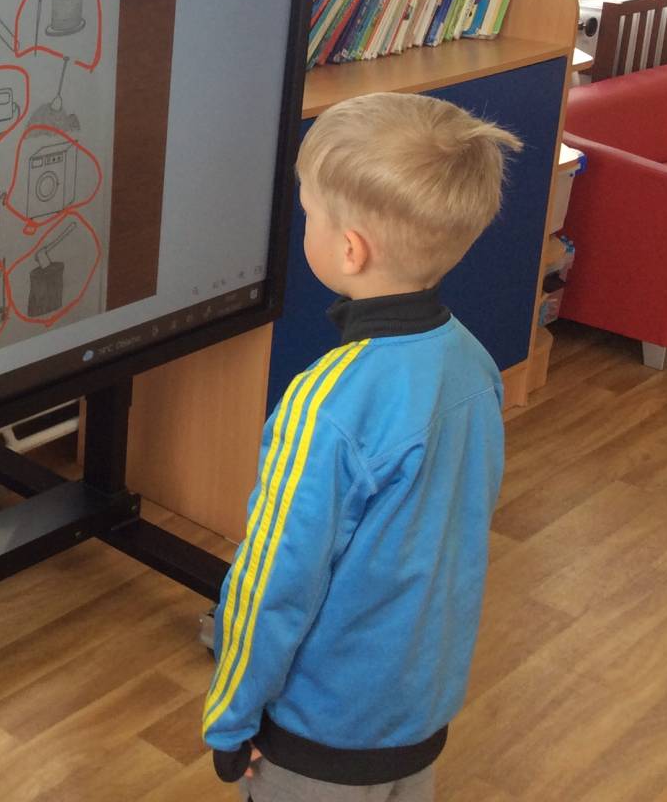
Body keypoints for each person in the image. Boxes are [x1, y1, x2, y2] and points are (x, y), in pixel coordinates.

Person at [203, 92, 523, 801]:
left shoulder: (325, 404)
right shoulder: (473, 364)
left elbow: (272, 580)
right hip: (418, 713)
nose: (305, 226)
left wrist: (230, 718)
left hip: (318, 735)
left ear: (349, 249)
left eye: (309, 214)